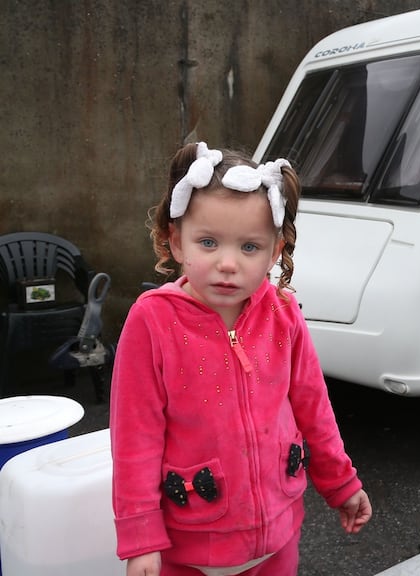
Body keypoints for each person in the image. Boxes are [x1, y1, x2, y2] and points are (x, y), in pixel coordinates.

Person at [110, 142, 372, 576]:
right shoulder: (151, 322)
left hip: (277, 540)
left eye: (250, 247)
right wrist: (140, 540)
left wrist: (341, 482)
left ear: (275, 251)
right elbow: (135, 439)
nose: (227, 264)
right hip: (187, 547)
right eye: (208, 242)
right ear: (176, 242)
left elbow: (314, 408)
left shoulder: (283, 312)